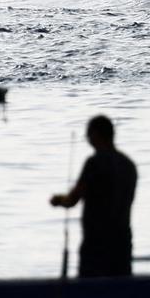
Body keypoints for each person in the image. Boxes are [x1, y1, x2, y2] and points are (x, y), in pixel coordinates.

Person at [50, 115, 137, 277]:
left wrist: (57, 200)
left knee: (90, 291)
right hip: (122, 241)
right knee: (121, 291)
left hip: (96, 243)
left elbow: (72, 200)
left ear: (96, 134)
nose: (87, 138)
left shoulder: (94, 163)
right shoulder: (129, 165)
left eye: (88, 134)